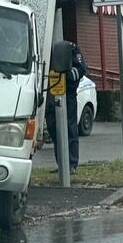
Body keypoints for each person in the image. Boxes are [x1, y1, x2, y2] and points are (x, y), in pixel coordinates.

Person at [45, 42, 87, 173]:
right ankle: (62, 164)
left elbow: (81, 69)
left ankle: (72, 164)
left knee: (70, 129)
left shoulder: (71, 48)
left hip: (67, 95)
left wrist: (66, 75)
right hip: (50, 94)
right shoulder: (45, 46)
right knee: (54, 129)